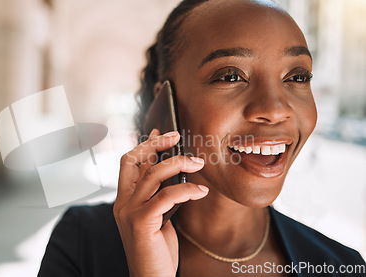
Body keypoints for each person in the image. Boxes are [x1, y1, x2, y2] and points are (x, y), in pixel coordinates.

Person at [38, 0, 366, 276]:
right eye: (231, 76)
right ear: (164, 106)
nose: (275, 109)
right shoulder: (82, 241)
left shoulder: (342, 266)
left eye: (297, 76)